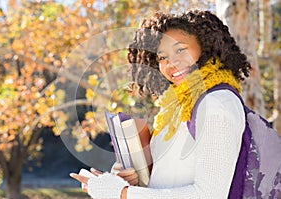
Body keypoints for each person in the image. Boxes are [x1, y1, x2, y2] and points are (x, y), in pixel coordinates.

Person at [70, 9, 252, 198]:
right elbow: (166, 181)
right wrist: (133, 181)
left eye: (180, 49)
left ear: (206, 47)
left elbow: (209, 194)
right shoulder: (173, 108)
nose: (171, 63)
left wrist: (123, 194)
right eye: (162, 57)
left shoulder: (217, 103)